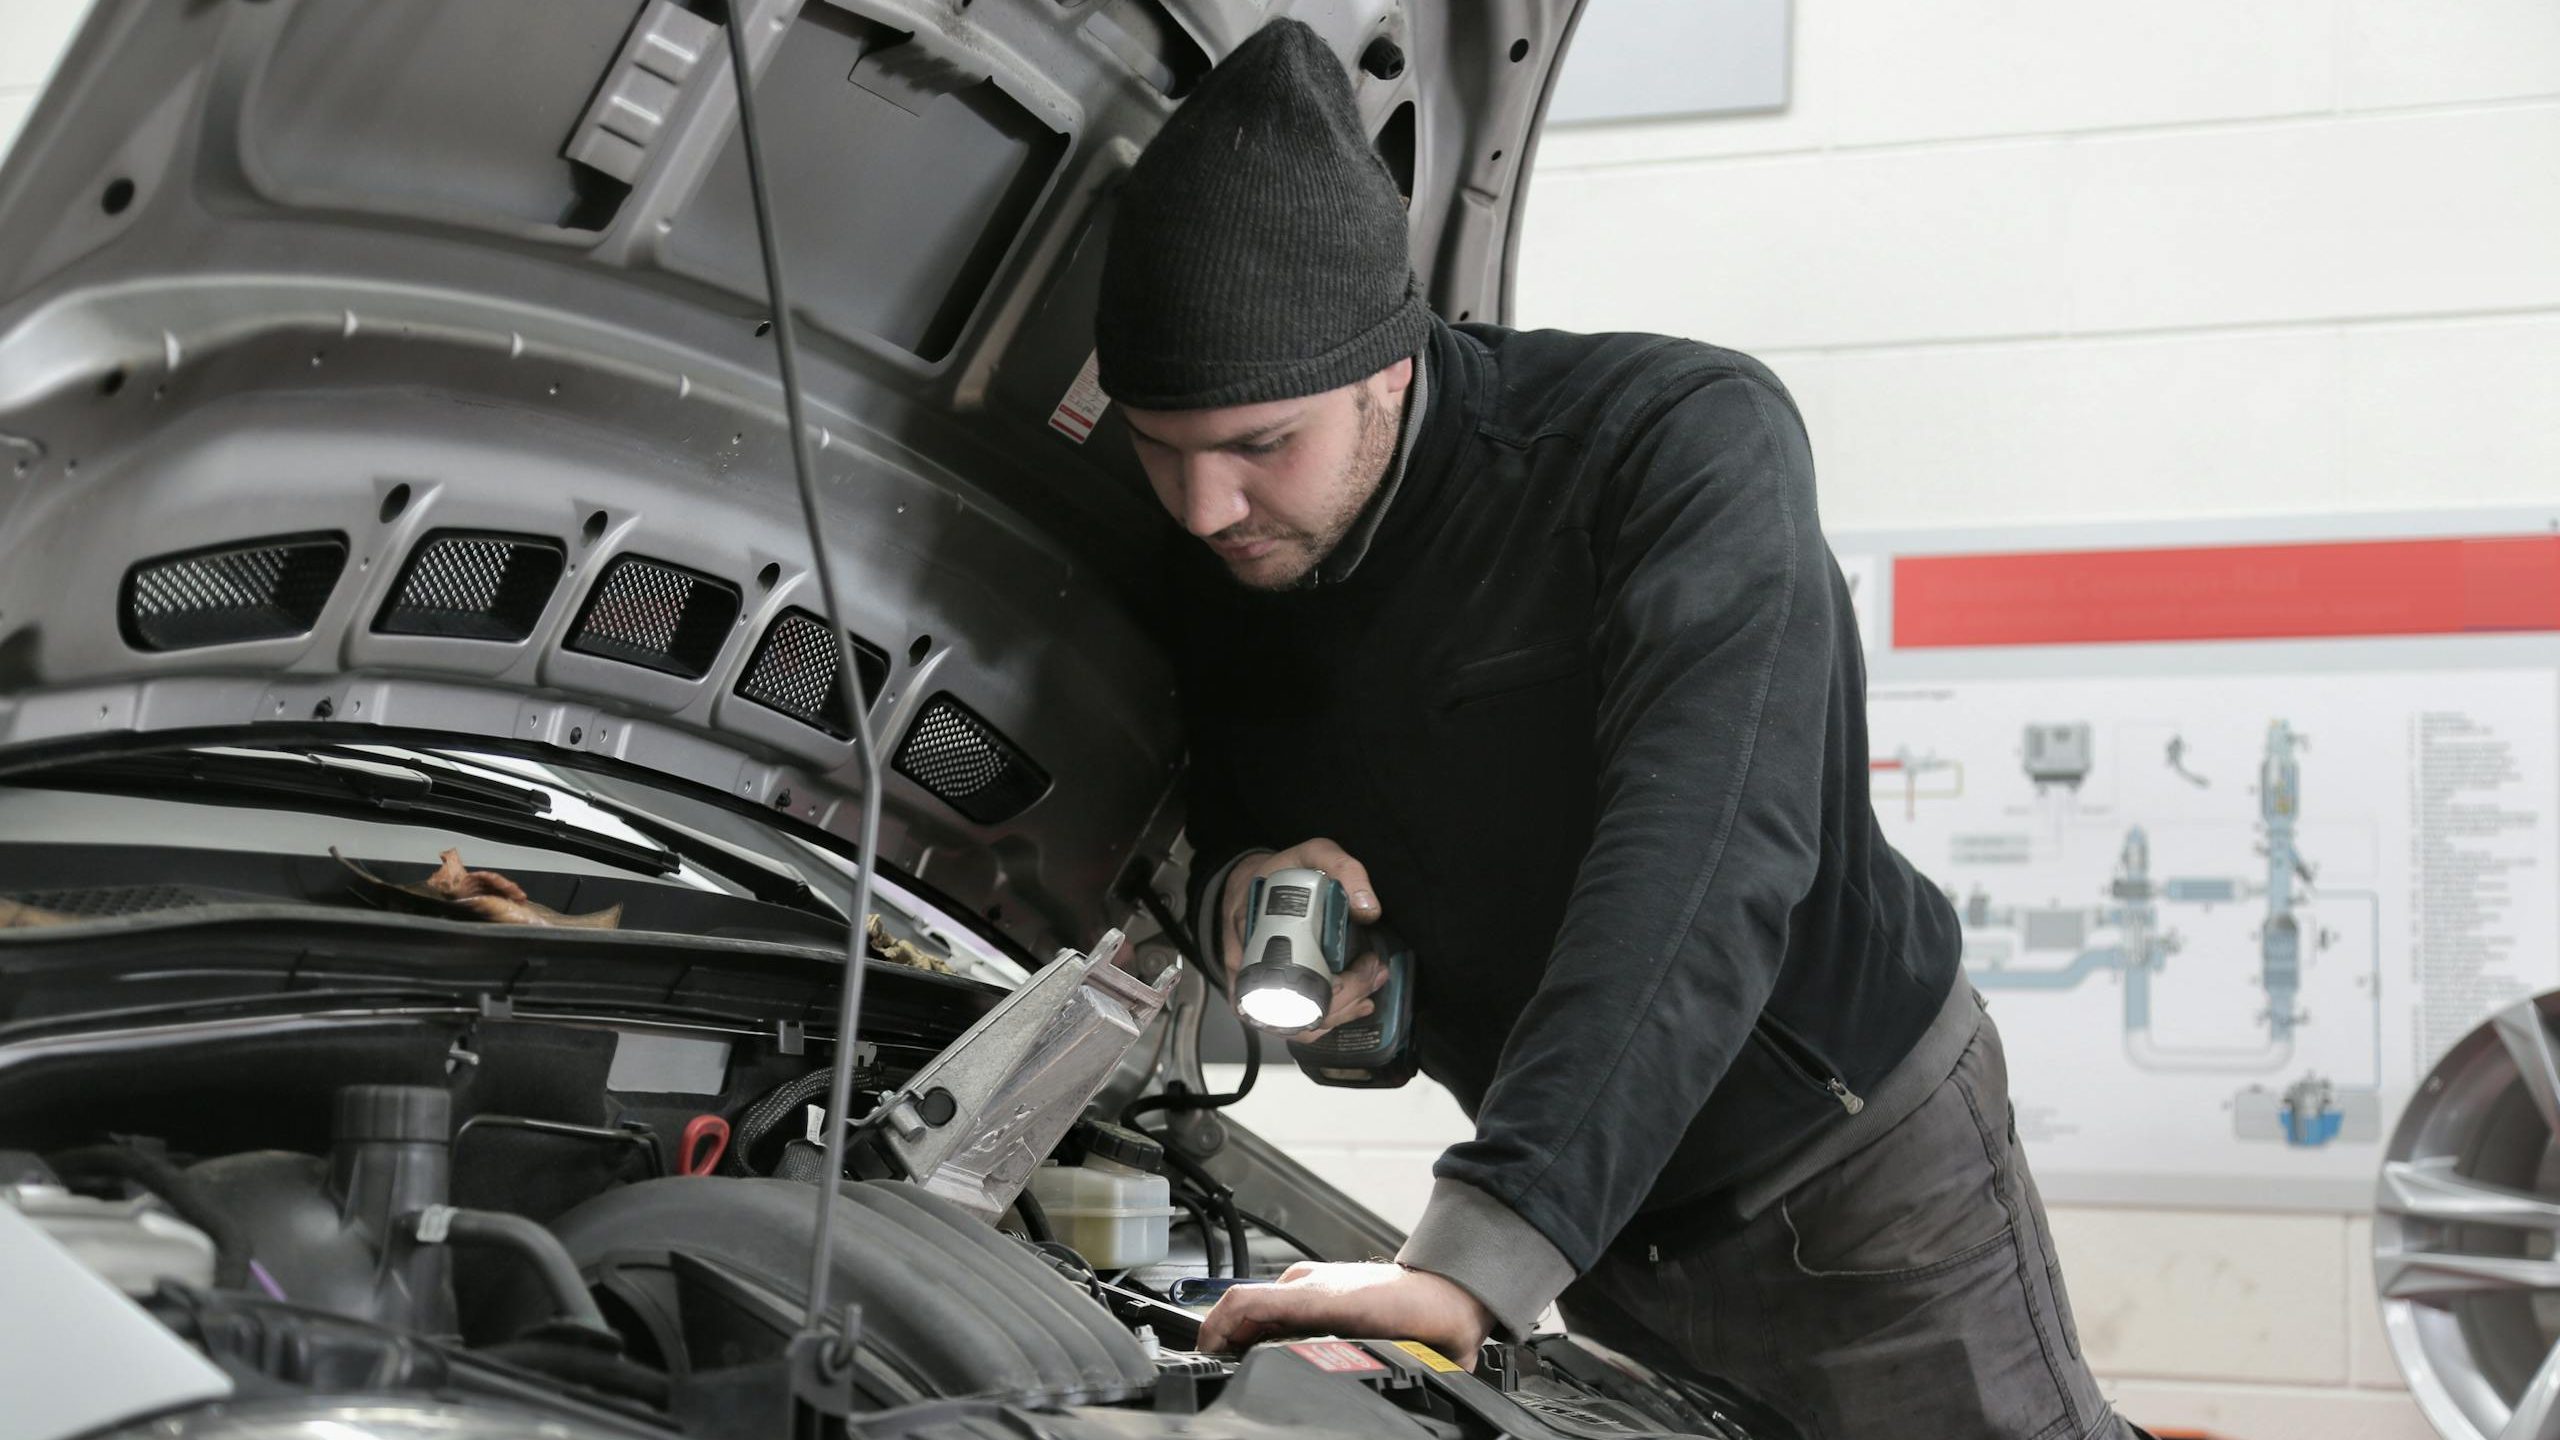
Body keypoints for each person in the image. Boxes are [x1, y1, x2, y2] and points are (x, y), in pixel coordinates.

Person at [1094, 20, 2135, 1440]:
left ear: (1390, 367)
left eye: (1259, 447)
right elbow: (1220, 806)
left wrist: (1484, 1244)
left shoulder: (1670, 444)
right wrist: (1239, 903)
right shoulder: (1219, 560)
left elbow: (1707, 858)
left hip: (1858, 1187)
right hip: (1601, 1224)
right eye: (1163, 453)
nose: (1207, 509)